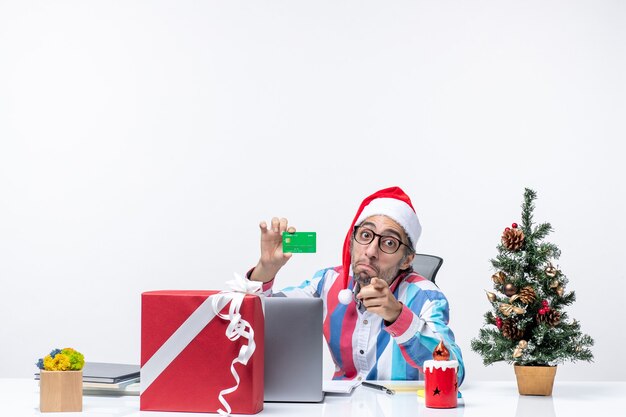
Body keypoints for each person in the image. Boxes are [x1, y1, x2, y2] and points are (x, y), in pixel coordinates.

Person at [248, 186, 465, 384]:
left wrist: (398, 316)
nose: (370, 251)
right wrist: (266, 270)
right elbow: (253, 323)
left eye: (389, 242)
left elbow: (455, 373)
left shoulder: (426, 297)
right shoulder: (327, 283)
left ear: (407, 259)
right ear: (351, 242)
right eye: (365, 235)